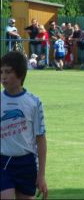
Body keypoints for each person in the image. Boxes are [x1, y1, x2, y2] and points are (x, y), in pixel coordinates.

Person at [1, 51, 48, 200]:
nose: (3, 76)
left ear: (20, 74)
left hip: (26, 163)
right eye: (1, 72)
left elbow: (40, 139)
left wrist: (41, 175)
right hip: (3, 161)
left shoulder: (34, 102)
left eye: (8, 72)